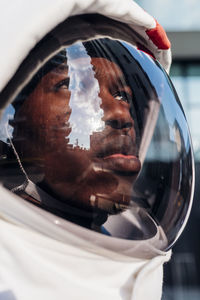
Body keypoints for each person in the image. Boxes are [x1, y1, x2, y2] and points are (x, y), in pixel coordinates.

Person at [0, 1, 194, 300]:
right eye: (74, 86)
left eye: (122, 94)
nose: (120, 113)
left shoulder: (131, 242)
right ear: (10, 124)